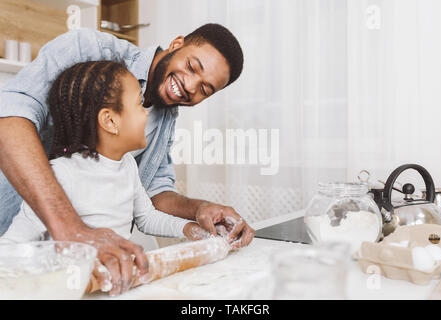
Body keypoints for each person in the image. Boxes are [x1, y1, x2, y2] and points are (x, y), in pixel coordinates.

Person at [0, 24, 255, 295]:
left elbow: (153, 197)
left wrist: (199, 211)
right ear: (177, 43)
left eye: (205, 89)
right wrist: (73, 231)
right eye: (192, 67)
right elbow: (10, 118)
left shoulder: (163, 120)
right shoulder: (89, 48)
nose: (191, 87)